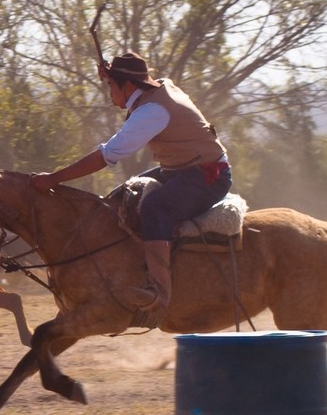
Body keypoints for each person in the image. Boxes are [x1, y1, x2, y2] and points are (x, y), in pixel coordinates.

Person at [30, 52, 232, 318]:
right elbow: (133, 85)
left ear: (127, 86)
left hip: (208, 176)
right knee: (122, 196)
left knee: (154, 208)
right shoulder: (160, 87)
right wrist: (111, 74)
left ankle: (160, 293)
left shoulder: (152, 111)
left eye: (111, 86)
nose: (109, 93)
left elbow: (106, 155)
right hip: (182, 170)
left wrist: (53, 178)